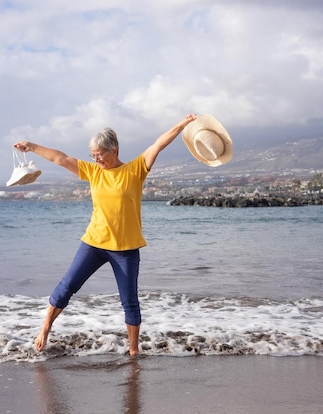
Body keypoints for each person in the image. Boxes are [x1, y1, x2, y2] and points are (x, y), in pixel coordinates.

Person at [14, 114, 197, 355]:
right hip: (94, 243)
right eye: (93, 155)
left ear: (114, 150)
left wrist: (182, 125)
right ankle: (46, 327)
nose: (96, 159)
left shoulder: (135, 169)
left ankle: (134, 351)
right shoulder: (93, 172)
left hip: (126, 249)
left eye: (100, 154)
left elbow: (158, 145)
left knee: (129, 301)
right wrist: (33, 146)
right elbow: (61, 158)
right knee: (67, 286)